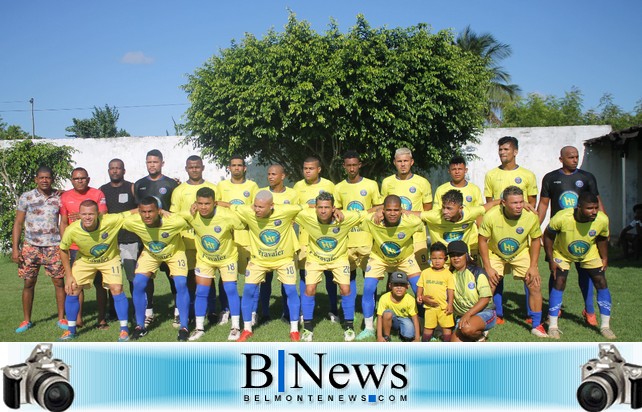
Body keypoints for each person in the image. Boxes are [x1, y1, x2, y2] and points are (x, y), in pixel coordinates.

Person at [537, 146, 605, 326]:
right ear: (561, 159)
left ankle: (589, 310)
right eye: (571, 157)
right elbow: (543, 205)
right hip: (560, 235)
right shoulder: (551, 178)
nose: (575, 160)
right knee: (556, 273)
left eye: (577, 157)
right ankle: (554, 309)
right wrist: (535, 228)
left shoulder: (587, 177)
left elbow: (597, 202)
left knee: (586, 272)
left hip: (583, 233)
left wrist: (603, 223)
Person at [228, 190, 302, 342]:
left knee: (290, 290)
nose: (257, 210)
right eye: (255, 206)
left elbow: (307, 207)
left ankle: (294, 330)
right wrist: (216, 203)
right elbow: (230, 206)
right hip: (259, 261)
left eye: (261, 207)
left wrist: (334, 211)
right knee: (248, 290)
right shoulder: (248, 212)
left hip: (283, 260)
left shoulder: (286, 211)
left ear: (272, 206)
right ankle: (247, 329)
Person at [478, 186, 548, 337]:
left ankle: (537, 325)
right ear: (503, 203)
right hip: (495, 252)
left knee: (534, 283)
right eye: (514, 203)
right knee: (488, 285)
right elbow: (482, 240)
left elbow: (536, 240)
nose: (519, 206)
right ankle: (483, 324)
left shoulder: (530, 216)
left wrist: (533, 266)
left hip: (520, 253)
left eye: (521, 202)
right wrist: (488, 267)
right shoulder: (491, 216)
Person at [295, 192, 366, 342]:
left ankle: (348, 326)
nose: (322, 211)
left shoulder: (345, 218)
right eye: (319, 207)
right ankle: (307, 328)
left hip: (339, 259)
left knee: (345, 289)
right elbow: (285, 210)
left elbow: (366, 213)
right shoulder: (307, 216)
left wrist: (380, 211)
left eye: (327, 207)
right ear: (315, 208)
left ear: (333, 208)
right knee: (309, 289)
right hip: (315, 259)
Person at [543, 192, 615, 340]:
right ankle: (553, 326)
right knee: (559, 281)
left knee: (601, 282)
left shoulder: (601, 219)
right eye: (590, 208)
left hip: (590, 253)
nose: (594, 211)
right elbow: (548, 236)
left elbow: (602, 238)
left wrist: (605, 257)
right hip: (562, 253)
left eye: (596, 207)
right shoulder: (562, 217)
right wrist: (551, 259)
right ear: (579, 207)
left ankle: (605, 327)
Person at [58, 200, 131, 342]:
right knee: (72, 289)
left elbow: (132, 212)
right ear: (79, 215)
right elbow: (63, 249)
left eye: (91, 214)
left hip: (110, 259)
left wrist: (160, 211)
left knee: (117, 288)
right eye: (84, 214)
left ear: (98, 214)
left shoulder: (110, 220)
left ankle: (124, 330)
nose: (87, 217)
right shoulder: (72, 230)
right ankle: (71, 331)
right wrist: (68, 275)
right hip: (85, 260)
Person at [178, 187, 245, 341]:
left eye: (207, 204)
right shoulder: (191, 215)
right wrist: (162, 212)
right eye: (200, 203)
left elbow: (246, 220)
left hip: (227, 259)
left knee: (230, 289)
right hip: (205, 260)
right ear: (195, 203)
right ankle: (199, 328)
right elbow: (169, 217)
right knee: (201, 292)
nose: (203, 207)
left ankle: (235, 327)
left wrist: (227, 205)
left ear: (214, 203)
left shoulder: (227, 216)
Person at [484, 136, 538, 322]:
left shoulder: (527, 175)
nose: (502, 153)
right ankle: (497, 313)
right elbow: (489, 204)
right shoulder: (491, 175)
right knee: (495, 275)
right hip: (499, 229)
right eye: (500, 150)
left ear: (515, 151)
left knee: (528, 273)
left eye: (506, 149)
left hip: (519, 231)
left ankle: (532, 314)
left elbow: (531, 203)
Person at [122, 197, 191, 341]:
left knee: (181, 284)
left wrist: (170, 212)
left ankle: (184, 326)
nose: (147, 215)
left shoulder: (174, 221)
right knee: (138, 283)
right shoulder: (132, 222)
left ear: (159, 211)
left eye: (151, 212)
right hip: (151, 254)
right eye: (143, 212)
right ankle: (140, 326)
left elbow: (189, 215)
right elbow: (117, 218)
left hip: (174, 252)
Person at [357, 195, 424, 340]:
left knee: (419, 287)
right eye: (388, 210)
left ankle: (424, 324)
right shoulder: (372, 220)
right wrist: (377, 209)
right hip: (379, 258)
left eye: (396, 210)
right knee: (368, 288)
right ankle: (368, 328)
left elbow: (424, 220)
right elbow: (359, 215)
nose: (392, 213)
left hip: (405, 258)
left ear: (401, 210)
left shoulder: (412, 222)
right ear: (383, 210)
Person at [11, 166, 67, 333]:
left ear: (52, 179)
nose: (44, 180)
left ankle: (61, 317)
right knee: (28, 282)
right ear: (36, 179)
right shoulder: (26, 197)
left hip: (54, 246)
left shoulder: (59, 197)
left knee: (59, 282)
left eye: (48, 177)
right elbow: (18, 223)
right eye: (41, 177)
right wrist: (15, 248)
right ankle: (26, 320)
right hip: (31, 246)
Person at [334, 150, 383, 319]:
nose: (352, 168)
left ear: (359, 165)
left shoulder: (371, 185)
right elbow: (337, 211)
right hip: (348, 239)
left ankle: (372, 309)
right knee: (349, 275)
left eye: (355, 165)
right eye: (349, 165)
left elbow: (379, 207)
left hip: (367, 238)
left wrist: (359, 215)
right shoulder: (339, 187)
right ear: (344, 167)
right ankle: (350, 311)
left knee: (369, 276)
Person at [170, 155, 217, 327]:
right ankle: (188, 311)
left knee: (208, 275)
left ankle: (212, 310)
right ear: (186, 169)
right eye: (191, 167)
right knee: (189, 277)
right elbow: (174, 217)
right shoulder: (179, 191)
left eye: (197, 166)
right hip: (186, 241)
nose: (194, 170)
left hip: (207, 240)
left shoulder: (212, 188)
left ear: (202, 167)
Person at [133, 149, 179, 327]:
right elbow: (137, 210)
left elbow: (174, 210)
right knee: (146, 277)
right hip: (146, 238)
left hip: (167, 238)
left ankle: (178, 310)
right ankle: (148, 311)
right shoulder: (139, 184)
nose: (152, 165)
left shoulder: (171, 184)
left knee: (173, 276)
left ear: (162, 163)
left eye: (155, 162)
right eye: (149, 162)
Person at [59, 167, 108, 329]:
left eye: (82, 178)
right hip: (75, 247)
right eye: (76, 178)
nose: (79, 181)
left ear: (88, 179)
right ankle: (78, 318)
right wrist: (63, 243)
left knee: (100, 283)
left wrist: (82, 217)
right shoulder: (65, 197)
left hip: (96, 245)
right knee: (76, 283)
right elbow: (64, 222)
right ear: (71, 180)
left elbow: (103, 216)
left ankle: (101, 319)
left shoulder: (97, 194)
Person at [293, 157, 339, 322]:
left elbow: (336, 209)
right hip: (305, 238)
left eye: (311, 168)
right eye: (305, 168)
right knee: (305, 275)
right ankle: (305, 312)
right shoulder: (298, 186)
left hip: (326, 238)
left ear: (319, 169)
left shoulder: (328, 185)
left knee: (329, 275)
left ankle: (334, 310)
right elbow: (295, 211)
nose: (307, 171)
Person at [215, 155, 259, 325]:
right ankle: (226, 310)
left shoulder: (252, 186)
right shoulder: (221, 186)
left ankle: (253, 311)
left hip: (247, 237)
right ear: (229, 167)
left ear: (244, 168)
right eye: (233, 165)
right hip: (227, 238)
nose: (237, 168)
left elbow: (256, 208)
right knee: (226, 277)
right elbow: (216, 205)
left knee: (252, 276)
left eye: (240, 165)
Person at [257, 164, 299, 322]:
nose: (270, 177)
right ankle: (265, 313)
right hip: (265, 245)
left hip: (285, 245)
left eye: (274, 174)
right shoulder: (261, 193)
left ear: (283, 176)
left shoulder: (293, 194)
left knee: (286, 282)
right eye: (268, 174)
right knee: (265, 281)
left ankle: (287, 313)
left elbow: (297, 214)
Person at [381, 147, 433, 270]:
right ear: (394, 162)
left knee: (422, 269)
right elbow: (383, 207)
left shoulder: (422, 182)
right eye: (399, 161)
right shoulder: (387, 182)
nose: (403, 164)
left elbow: (427, 211)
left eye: (406, 161)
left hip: (417, 235)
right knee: (394, 269)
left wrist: (408, 215)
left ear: (412, 162)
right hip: (394, 233)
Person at [99, 159, 139, 315]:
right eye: (112, 168)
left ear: (124, 170)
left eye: (118, 168)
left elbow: (140, 209)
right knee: (111, 279)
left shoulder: (131, 187)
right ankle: (113, 310)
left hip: (130, 240)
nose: (115, 171)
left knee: (133, 278)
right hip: (110, 242)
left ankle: (138, 308)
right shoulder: (102, 190)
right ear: (108, 170)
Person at [417, 190, 498, 253]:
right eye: (443, 207)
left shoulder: (470, 213)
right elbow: (412, 214)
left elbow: (491, 204)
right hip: (441, 261)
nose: (445, 211)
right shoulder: (435, 216)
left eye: (449, 208)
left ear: (460, 208)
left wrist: (506, 201)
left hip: (462, 259)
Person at [433, 156, 484, 255]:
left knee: (471, 268)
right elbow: (437, 213)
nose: (457, 172)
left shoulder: (474, 189)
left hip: (470, 237)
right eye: (454, 169)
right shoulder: (441, 189)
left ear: (465, 170)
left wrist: (480, 234)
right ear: (449, 171)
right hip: (447, 235)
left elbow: (479, 215)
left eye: (460, 169)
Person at [448, 241, 496, 342]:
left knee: (467, 329)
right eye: (452, 255)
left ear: (466, 255)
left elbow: (485, 299)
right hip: (462, 316)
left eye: (459, 254)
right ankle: (473, 337)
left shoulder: (477, 272)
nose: (456, 258)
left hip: (484, 312)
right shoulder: (449, 274)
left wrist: (468, 314)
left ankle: (480, 336)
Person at [416, 242, 454, 342]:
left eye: (440, 258)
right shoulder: (425, 272)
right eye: (434, 258)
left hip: (444, 308)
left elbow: (450, 290)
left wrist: (450, 304)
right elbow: (420, 286)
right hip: (429, 308)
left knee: (447, 328)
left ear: (445, 259)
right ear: (430, 258)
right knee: (428, 329)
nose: (437, 261)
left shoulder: (448, 274)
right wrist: (419, 296)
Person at [376, 272, 420, 342]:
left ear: (407, 286)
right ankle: (387, 336)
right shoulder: (384, 298)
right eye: (396, 285)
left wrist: (417, 338)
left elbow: (415, 318)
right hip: (392, 318)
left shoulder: (410, 299)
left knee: (409, 336)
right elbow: (379, 316)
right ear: (390, 286)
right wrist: (379, 336)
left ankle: (401, 331)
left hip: (405, 318)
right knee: (387, 314)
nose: (399, 288)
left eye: (402, 285)